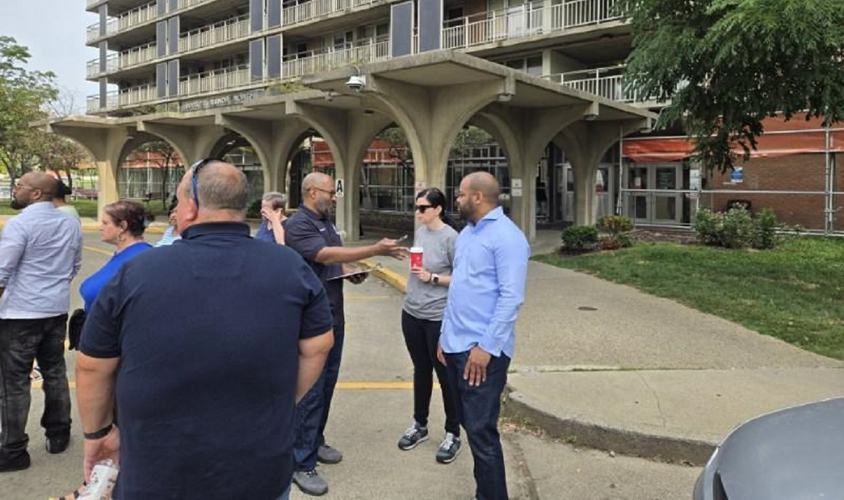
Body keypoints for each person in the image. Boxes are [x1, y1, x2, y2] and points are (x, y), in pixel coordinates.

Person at [76, 160, 334, 499]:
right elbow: (318, 345)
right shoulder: (290, 267)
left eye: (179, 201)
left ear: (192, 207)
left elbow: (93, 365)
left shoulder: (136, 272)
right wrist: (282, 400)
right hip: (260, 469)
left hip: (158, 471)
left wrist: (98, 434)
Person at [284, 171, 407, 496]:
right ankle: (301, 462)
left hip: (332, 316)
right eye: (329, 192)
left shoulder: (324, 223)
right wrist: (374, 250)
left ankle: (315, 440)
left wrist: (350, 271)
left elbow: (331, 264)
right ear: (311, 192)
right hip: (309, 325)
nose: (334, 197)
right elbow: (323, 256)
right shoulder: (298, 225)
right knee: (310, 392)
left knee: (326, 386)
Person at [438, 171, 530, 500]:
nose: (457, 199)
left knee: (481, 432)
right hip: (456, 346)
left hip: (482, 353)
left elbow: (511, 298)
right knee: (470, 425)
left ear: (478, 197)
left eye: (461, 194)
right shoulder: (468, 234)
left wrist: (486, 347)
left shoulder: (507, 237)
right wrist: (444, 336)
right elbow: (460, 288)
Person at [0, 172, 82, 472]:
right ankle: (59, 435)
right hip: (54, 310)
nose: (15, 189)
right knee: (55, 373)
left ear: (36, 194)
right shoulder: (69, 223)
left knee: (14, 383)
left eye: (20, 186)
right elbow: (74, 264)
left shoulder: (20, 224)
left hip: (20, 314)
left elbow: (1, 270)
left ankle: (12, 450)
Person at [397, 188, 462, 464]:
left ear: (438, 209)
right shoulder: (421, 232)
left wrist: (432, 277)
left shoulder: (452, 237)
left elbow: (461, 278)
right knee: (420, 369)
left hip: (438, 315)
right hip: (412, 311)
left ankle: (453, 433)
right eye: (416, 207)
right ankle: (419, 424)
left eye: (423, 208)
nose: (418, 212)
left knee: (445, 375)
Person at [79, 201, 153, 312]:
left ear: (123, 226)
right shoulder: (129, 253)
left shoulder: (136, 256)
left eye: (105, 223)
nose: (100, 228)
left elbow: (91, 291)